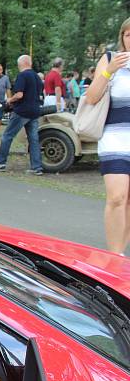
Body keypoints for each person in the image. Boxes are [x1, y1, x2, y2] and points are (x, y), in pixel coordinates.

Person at [86, 18, 130, 253]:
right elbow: (92, 97)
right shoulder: (111, 59)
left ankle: (120, 253)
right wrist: (108, 72)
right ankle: (114, 256)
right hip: (115, 138)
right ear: (122, 37)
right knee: (116, 197)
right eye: (128, 35)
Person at [0, 55, 44, 176]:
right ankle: (37, 167)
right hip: (34, 111)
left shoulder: (23, 75)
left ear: (22, 63)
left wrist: (9, 100)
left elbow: (19, 94)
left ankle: (1, 162)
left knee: (7, 135)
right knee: (33, 139)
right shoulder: (37, 77)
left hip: (22, 111)